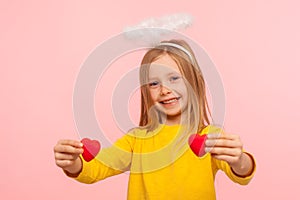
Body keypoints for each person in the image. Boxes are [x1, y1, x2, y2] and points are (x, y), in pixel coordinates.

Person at [54, 39, 256, 200]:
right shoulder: (136, 140)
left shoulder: (208, 136)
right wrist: (72, 163)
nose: (165, 90)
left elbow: (241, 173)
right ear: (145, 91)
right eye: (154, 83)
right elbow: (97, 168)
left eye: (174, 78)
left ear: (194, 82)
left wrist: (239, 160)